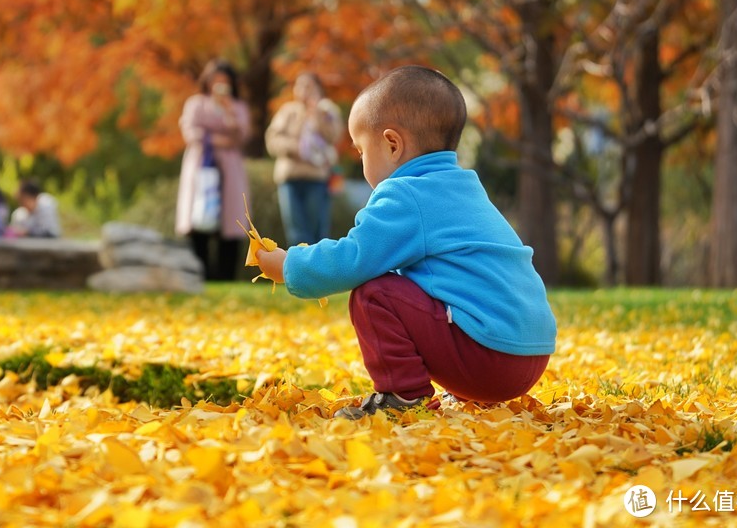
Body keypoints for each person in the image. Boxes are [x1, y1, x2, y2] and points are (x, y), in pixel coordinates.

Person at [255, 66, 557, 419]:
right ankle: (465, 395)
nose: (362, 162)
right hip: (529, 354)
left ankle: (404, 398)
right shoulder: (464, 187)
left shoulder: (405, 194)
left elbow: (354, 258)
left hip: (490, 359)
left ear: (392, 144)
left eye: (361, 151)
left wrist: (290, 265)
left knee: (374, 293)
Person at [175, 59, 251, 280]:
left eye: (224, 82)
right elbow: (191, 133)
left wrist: (227, 113)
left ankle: (226, 275)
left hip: (230, 170)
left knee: (231, 222)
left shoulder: (237, 107)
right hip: (202, 166)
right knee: (199, 220)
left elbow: (242, 135)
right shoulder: (196, 103)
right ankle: (200, 273)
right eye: (215, 81)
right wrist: (220, 139)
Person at [265, 72, 344, 246]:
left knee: (317, 230)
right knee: (295, 230)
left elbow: (334, 136)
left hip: (317, 178)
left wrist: (316, 115)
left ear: (318, 90)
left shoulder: (327, 112)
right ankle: (299, 270)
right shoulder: (288, 111)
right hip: (289, 178)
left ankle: (317, 271)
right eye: (299, 86)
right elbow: (272, 140)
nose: (303, 91)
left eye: (309, 86)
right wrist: (296, 148)